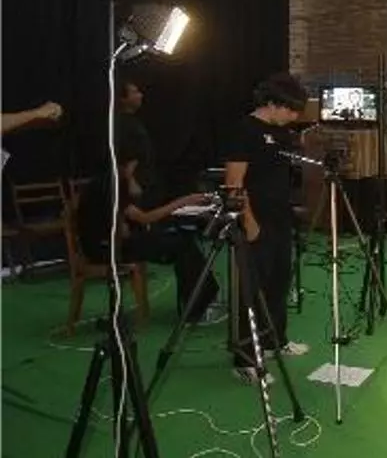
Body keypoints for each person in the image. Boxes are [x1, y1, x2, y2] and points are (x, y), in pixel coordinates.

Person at [223, 72, 311, 385]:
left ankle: (275, 341)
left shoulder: (282, 132)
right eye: (291, 109)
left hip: (280, 218)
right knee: (251, 289)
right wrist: (249, 223)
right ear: (272, 103)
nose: (295, 116)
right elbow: (234, 183)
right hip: (254, 221)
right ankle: (245, 359)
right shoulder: (244, 130)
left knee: (279, 282)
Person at [76, 146, 219, 323]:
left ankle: (199, 300)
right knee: (181, 246)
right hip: (107, 248)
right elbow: (144, 218)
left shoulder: (109, 180)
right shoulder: (109, 185)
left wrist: (129, 178)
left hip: (114, 241)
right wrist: (183, 202)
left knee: (182, 241)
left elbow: (135, 194)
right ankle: (196, 305)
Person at [114, 78, 162, 207]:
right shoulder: (123, 123)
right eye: (134, 92)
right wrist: (131, 181)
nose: (140, 95)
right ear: (123, 99)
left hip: (145, 182)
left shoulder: (133, 121)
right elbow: (129, 156)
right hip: (137, 185)